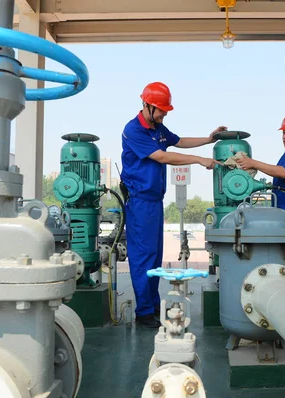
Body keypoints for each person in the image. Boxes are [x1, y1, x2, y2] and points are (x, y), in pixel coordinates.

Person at [120, 81, 226, 328]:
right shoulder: (134, 129)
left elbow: (178, 141)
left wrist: (208, 140)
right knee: (143, 257)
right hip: (140, 202)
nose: (164, 114)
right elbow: (163, 156)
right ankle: (144, 312)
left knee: (155, 256)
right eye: (161, 110)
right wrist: (199, 161)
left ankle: (154, 305)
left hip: (155, 201)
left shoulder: (157, 127)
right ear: (147, 105)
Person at [236, 111, 285, 217]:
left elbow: (283, 173)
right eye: (283, 132)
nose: (284, 137)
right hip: (282, 217)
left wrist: (253, 163)